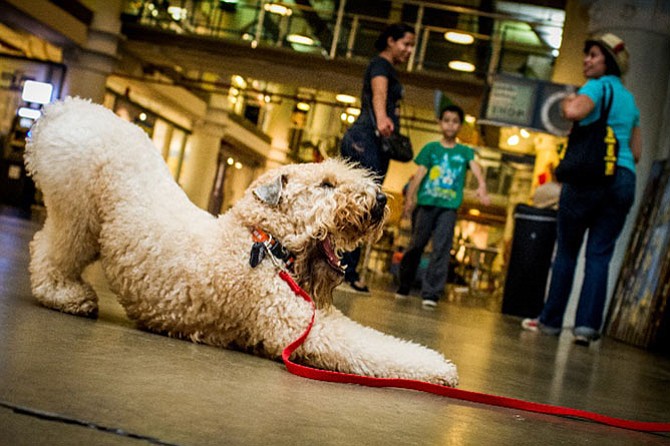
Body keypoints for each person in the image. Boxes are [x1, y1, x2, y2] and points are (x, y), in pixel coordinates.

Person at [522, 33, 642, 346]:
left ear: (608, 62)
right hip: (623, 179)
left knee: (567, 252)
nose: (586, 60)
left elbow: (573, 111)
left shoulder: (597, 86)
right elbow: (637, 151)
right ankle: (586, 328)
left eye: (593, 55)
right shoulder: (630, 101)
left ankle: (550, 322)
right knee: (599, 256)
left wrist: (566, 100)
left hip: (588, 180)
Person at [339, 23, 416, 293]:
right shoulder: (381, 65)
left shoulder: (388, 67)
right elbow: (379, 91)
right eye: (406, 44)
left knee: (364, 204)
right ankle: (344, 272)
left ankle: (346, 271)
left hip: (372, 141)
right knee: (360, 202)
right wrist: (382, 118)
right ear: (390, 41)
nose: (409, 50)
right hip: (365, 139)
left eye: (412, 46)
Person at [395, 104, 490, 308]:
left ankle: (431, 293)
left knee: (442, 248)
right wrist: (409, 199)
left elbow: (475, 168)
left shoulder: (465, 151)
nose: (450, 125)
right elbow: (419, 174)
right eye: (446, 120)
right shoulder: (431, 149)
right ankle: (404, 284)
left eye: (455, 122)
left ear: (460, 126)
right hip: (426, 204)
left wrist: (482, 186)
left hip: (448, 207)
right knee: (416, 245)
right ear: (440, 123)